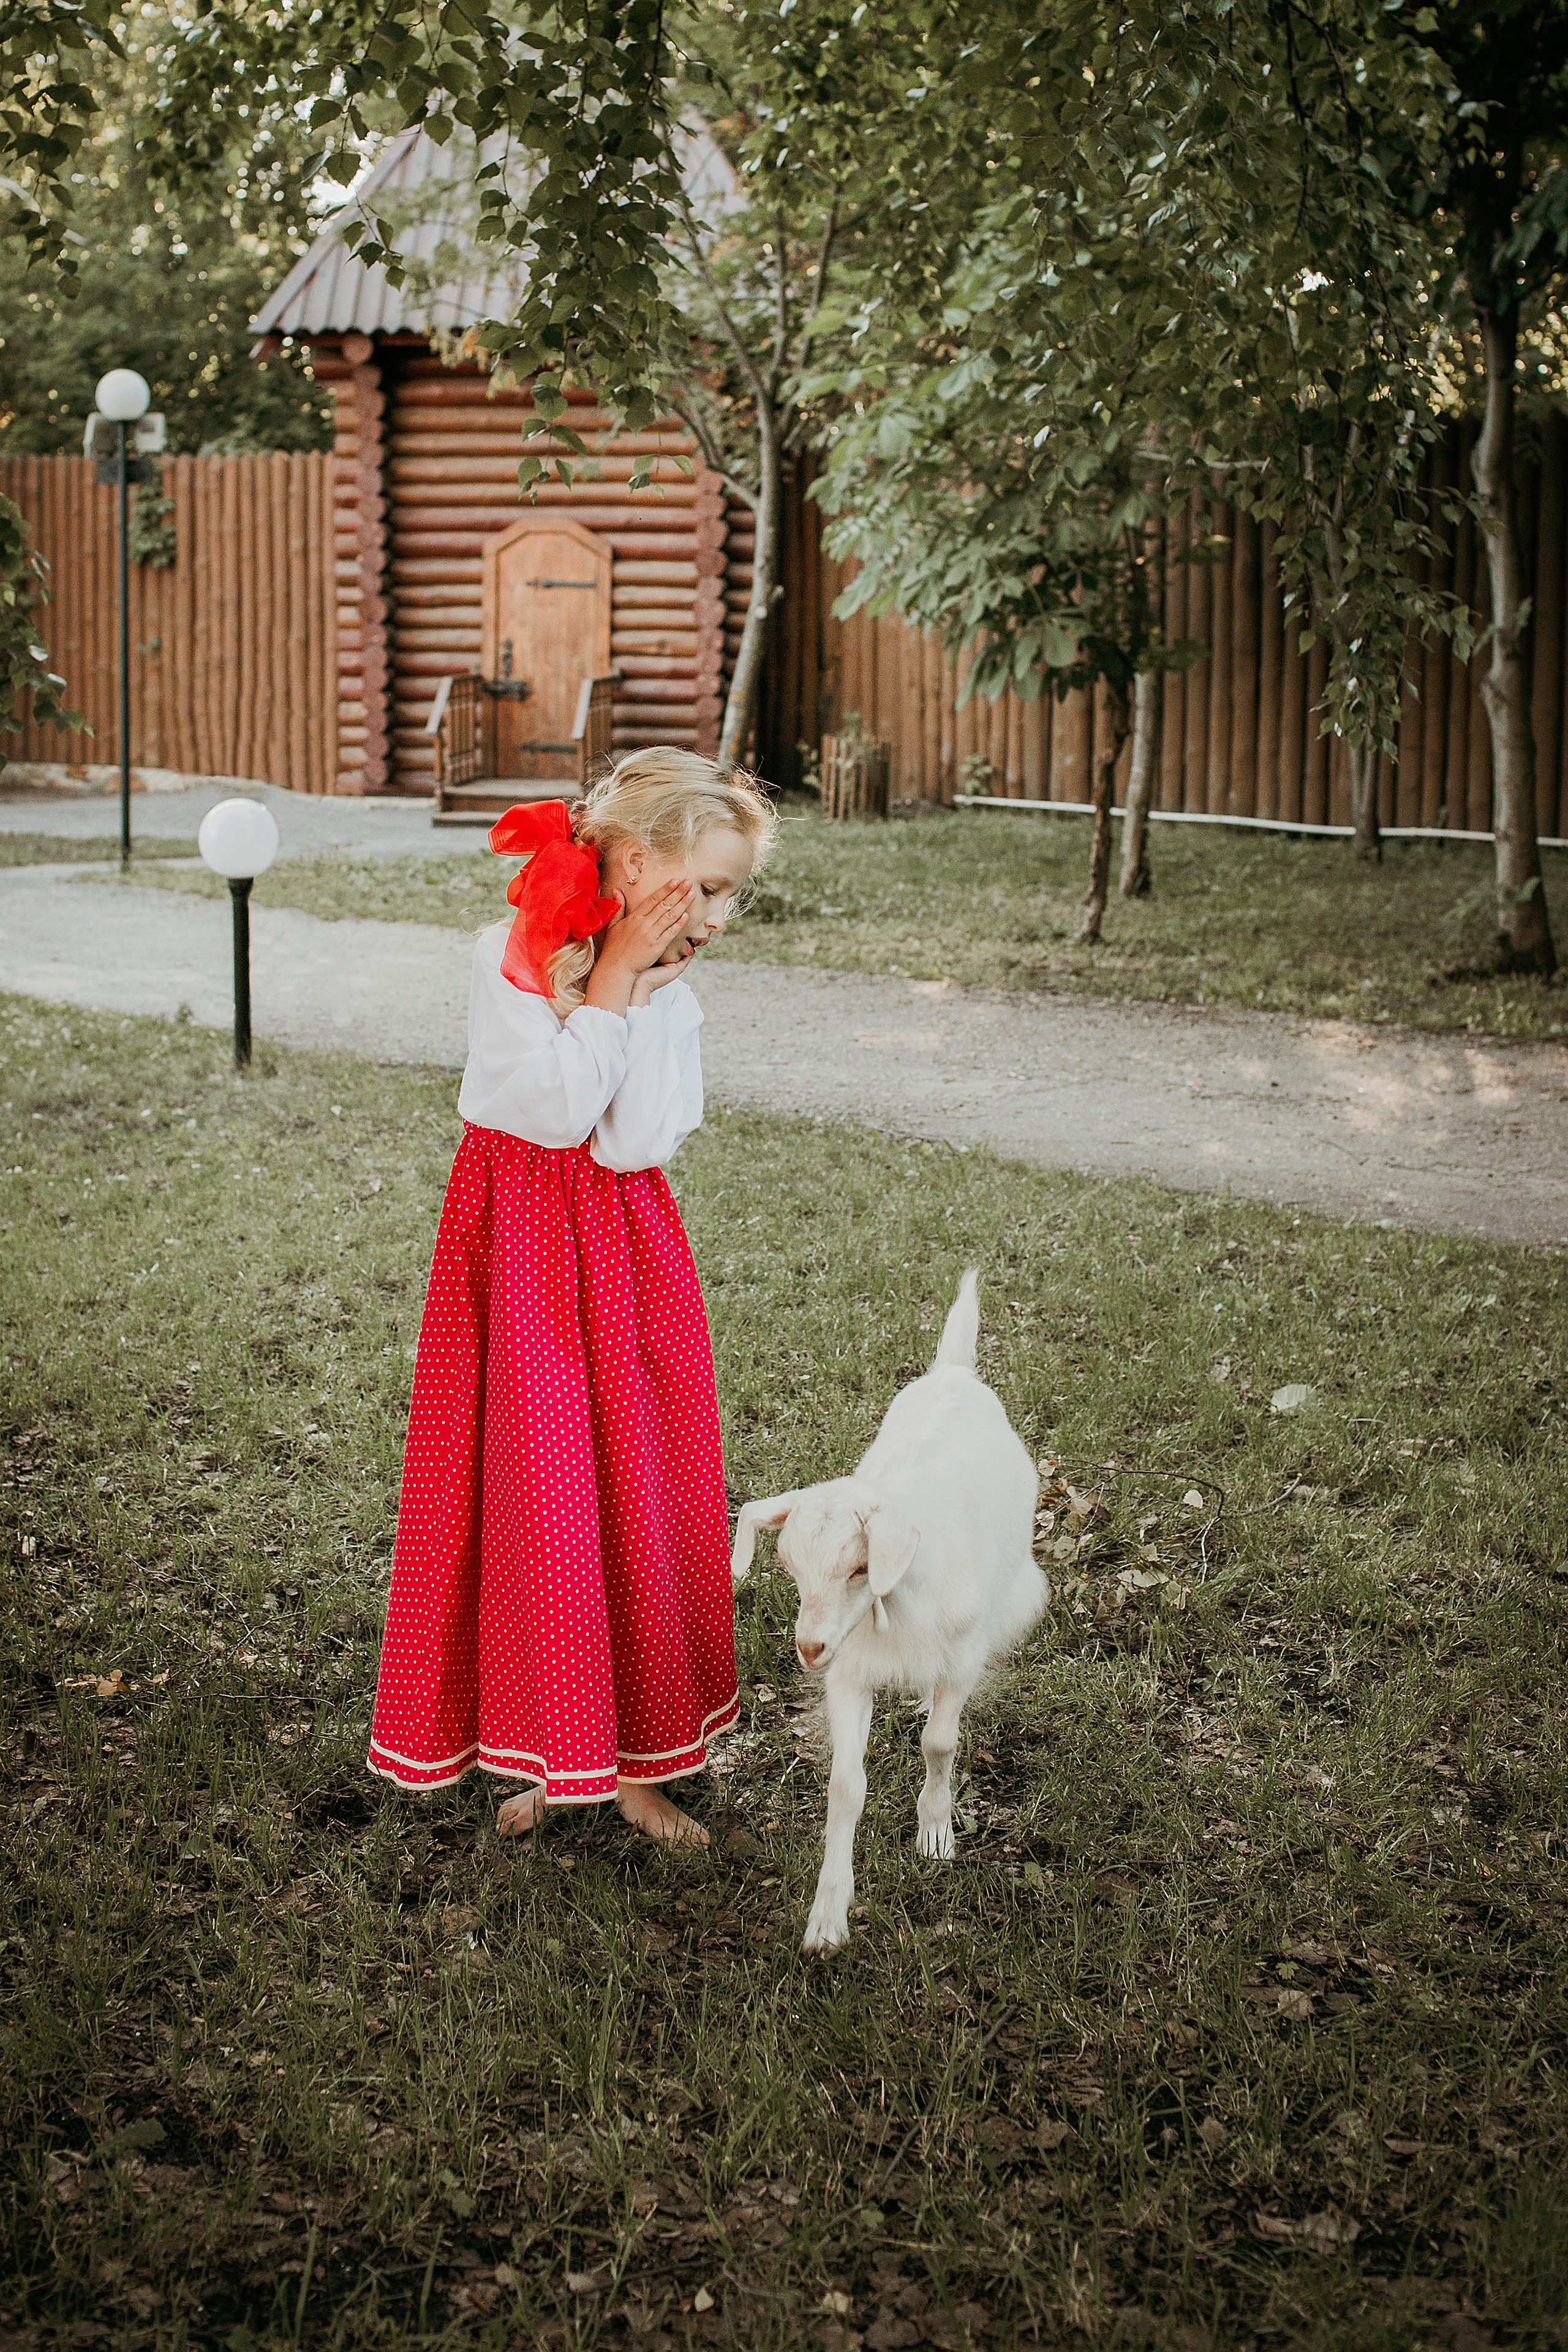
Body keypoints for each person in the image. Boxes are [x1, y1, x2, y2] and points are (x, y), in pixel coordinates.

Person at [368, 748, 776, 1845]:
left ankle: (636, 1765)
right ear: (638, 865)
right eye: (715, 885)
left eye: (737, 893)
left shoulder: (669, 1000)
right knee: (540, 1500)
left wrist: (637, 996)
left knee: (633, 1487)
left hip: (625, 1260)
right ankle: (558, 1750)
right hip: (523, 1266)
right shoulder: (512, 958)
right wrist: (604, 988)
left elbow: (637, 1136)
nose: (723, 917)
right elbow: (546, 1113)